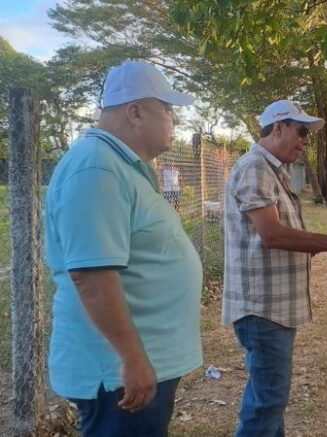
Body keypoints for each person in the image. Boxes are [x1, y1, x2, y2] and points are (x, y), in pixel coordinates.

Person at [45, 60, 201, 436]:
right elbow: (91, 275)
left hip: (137, 363)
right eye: (167, 109)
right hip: (116, 374)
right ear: (135, 112)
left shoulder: (120, 165)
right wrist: (131, 359)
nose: (174, 120)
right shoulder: (96, 168)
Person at [222, 99, 327, 437]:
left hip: (274, 309)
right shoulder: (255, 168)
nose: (305, 141)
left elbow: (288, 239)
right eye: (301, 132)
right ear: (277, 127)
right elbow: (272, 235)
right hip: (262, 309)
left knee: (271, 402)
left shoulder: (272, 171)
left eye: (307, 135)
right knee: (267, 402)